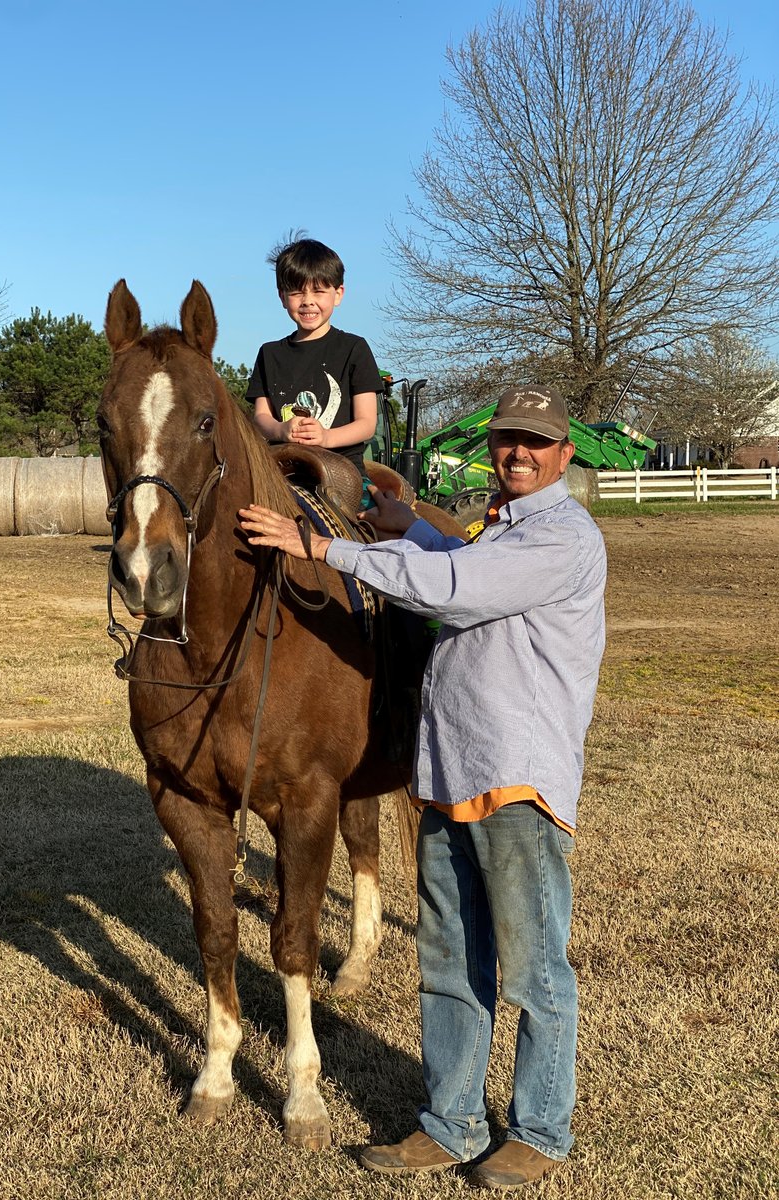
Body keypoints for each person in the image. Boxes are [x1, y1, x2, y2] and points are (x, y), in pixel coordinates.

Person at [239, 384, 607, 1192]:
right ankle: (451, 1123)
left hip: (515, 781)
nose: (517, 452)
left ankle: (541, 1129)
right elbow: (458, 563)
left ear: (563, 454)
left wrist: (320, 547)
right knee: (447, 962)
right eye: (508, 439)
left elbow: (454, 591)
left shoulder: (563, 537)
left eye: (535, 443)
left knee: (532, 969)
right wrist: (410, 526)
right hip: (449, 771)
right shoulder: (500, 528)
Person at [246, 236, 380, 499]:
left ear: (338, 294)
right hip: (280, 469)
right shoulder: (269, 353)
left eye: (318, 291)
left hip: (342, 472)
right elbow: (261, 417)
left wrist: (326, 438)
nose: (308, 301)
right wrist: (281, 430)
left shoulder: (354, 348)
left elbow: (367, 424)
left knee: (371, 526)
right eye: (297, 292)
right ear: (282, 297)